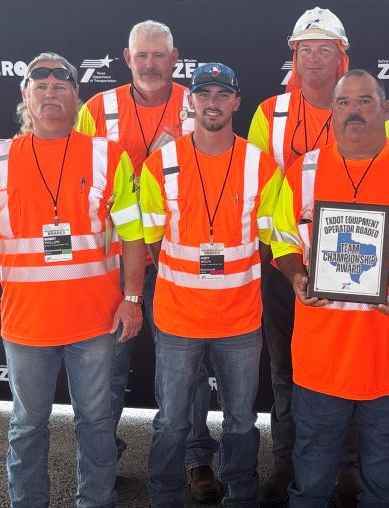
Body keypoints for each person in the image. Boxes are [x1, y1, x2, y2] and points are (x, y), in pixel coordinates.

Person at [0, 52, 146, 507]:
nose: (51, 92)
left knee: (96, 422)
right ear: (25, 97)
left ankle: (96, 501)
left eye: (62, 85)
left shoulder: (107, 155)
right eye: (40, 86)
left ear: (77, 97)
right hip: (26, 327)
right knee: (27, 424)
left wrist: (132, 296)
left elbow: (135, 235)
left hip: (95, 322)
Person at [271, 69, 389, 506]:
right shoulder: (306, 170)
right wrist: (297, 275)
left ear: (385, 109)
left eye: (365, 101)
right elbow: (281, 237)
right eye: (344, 102)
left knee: (385, 469)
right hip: (322, 355)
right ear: (331, 111)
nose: (354, 111)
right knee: (312, 468)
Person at [75, 20, 221, 502]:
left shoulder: (196, 103)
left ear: (175, 58)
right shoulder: (97, 109)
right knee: (107, 366)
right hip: (114, 263)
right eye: (143, 56)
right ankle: (104, 457)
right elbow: (75, 178)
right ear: (127, 57)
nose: (151, 65)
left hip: (181, 259)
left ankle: (197, 458)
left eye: (160, 56)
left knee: (190, 370)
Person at [249, 6, 388, 505]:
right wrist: (291, 263)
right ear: (293, 55)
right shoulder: (269, 113)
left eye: (324, 50)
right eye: (304, 50)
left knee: (350, 365)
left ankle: (348, 468)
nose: (313, 59)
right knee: (287, 371)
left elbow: (381, 187)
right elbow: (263, 190)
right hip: (287, 264)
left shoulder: (363, 105)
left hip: (351, 262)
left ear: (341, 56)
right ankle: (287, 468)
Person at [141, 63, 282, 507]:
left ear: (236, 102)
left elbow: (266, 242)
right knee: (171, 421)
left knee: (241, 419)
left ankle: (240, 494)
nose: (213, 102)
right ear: (192, 101)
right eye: (205, 94)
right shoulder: (160, 164)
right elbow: (150, 240)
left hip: (239, 320)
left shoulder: (261, 165)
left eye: (223, 94)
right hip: (177, 318)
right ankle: (163, 496)